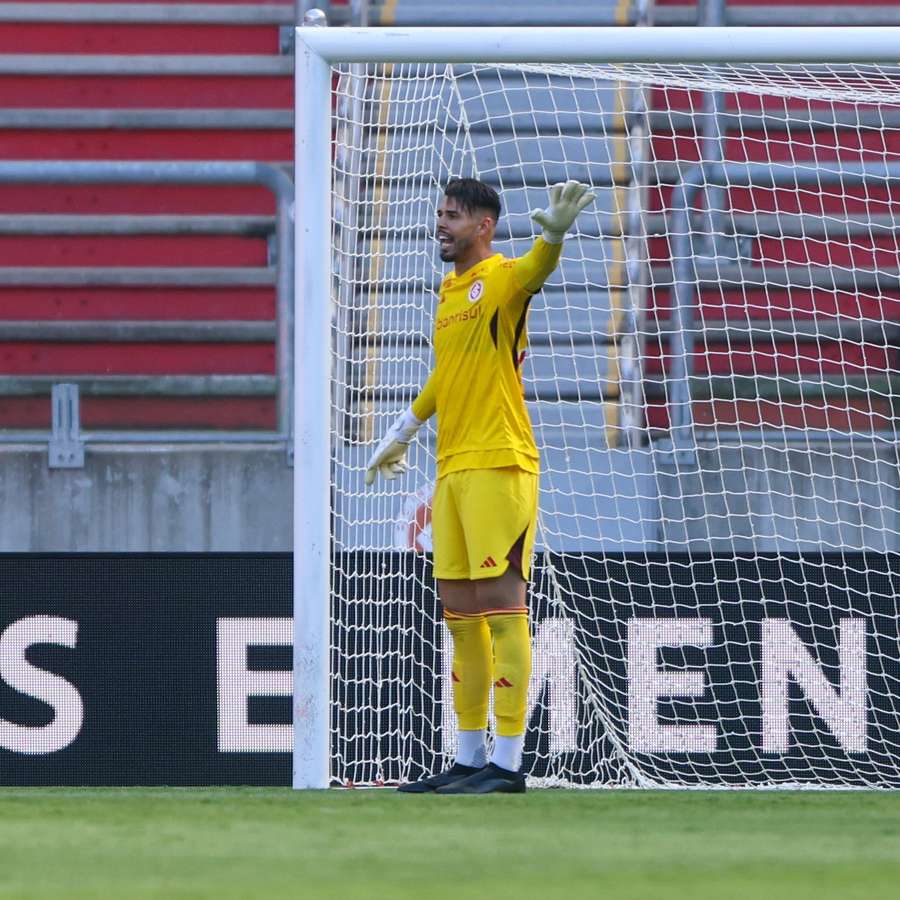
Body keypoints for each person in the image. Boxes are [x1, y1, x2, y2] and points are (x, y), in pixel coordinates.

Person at [365, 177, 595, 794]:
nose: (441, 224)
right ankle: (468, 760)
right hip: (453, 469)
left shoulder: (501, 278)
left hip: (501, 464)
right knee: (461, 622)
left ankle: (510, 764)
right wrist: (404, 430)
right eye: (439, 213)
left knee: (503, 613)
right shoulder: (449, 292)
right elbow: (447, 375)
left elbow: (537, 270)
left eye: (454, 216)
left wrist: (553, 234)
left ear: (484, 226)